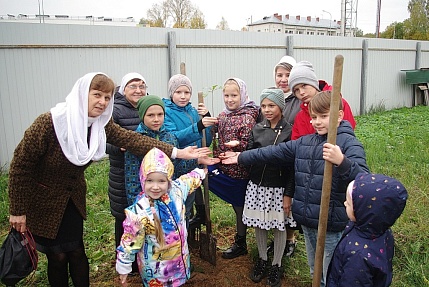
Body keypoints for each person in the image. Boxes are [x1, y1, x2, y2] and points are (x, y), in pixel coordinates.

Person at [7, 72, 209, 287]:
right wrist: (17, 210)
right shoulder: (50, 123)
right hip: (45, 200)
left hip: (72, 198)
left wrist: (177, 153)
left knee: (76, 252)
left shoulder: (99, 123)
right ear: (82, 94)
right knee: (58, 256)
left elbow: (132, 140)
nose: (102, 102)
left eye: (107, 97)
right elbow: (20, 165)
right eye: (97, 95)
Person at [221, 90, 370, 286]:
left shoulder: (348, 143)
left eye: (324, 117)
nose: (317, 122)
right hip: (308, 219)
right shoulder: (306, 142)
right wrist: (241, 157)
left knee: (330, 271)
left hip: (330, 222)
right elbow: (272, 152)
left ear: (339, 115)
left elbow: (364, 180)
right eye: (314, 117)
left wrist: (342, 161)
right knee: (314, 269)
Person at [116, 147, 207, 287]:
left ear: (169, 180)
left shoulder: (176, 192)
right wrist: (124, 267)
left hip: (180, 264)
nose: (155, 187)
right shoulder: (138, 212)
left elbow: (188, 180)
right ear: (142, 180)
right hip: (156, 274)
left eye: (161, 181)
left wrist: (201, 172)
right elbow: (129, 243)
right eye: (150, 181)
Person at [124, 95, 219, 205]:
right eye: (150, 115)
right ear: (142, 116)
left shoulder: (169, 137)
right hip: (147, 204)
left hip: (172, 201)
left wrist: (197, 161)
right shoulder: (136, 141)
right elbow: (132, 180)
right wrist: (139, 207)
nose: (156, 119)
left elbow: (176, 169)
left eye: (160, 115)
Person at [245, 88, 295, 287]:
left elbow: (292, 166)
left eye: (271, 105)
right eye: (263, 106)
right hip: (258, 186)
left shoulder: (290, 131)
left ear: (281, 107)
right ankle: (263, 259)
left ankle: (277, 263)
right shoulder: (257, 128)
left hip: (278, 188)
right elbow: (249, 154)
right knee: (259, 223)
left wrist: (288, 193)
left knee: (278, 224)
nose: (267, 109)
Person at [326, 173, 408, 287]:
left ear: (363, 212)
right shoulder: (380, 231)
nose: (345, 203)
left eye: (349, 203)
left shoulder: (358, 257)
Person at [209, 77, 259, 259]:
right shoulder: (222, 116)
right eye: (226, 95)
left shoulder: (248, 117)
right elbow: (215, 137)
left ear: (243, 95)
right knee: (201, 175)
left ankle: (241, 241)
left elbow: (252, 145)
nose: (230, 99)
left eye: (234, 95)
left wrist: (239, 145)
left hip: (241, 171)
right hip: (224, 167)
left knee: (239, 206)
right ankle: (200, 214)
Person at [162, 74, 218, 229]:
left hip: (196, 164)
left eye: (186, 93)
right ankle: (179, 240)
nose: (183, 96)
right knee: (180, 206)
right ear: (171, 93)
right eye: (178, 92)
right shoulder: (166, 113)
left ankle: (188, 235)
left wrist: (206, 117)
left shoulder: (194, 112)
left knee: (190, 199)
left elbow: (206, 138)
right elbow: (174, 138)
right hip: (179, 165)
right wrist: (198, 126)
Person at [106, 72, 147, 275]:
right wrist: (118, 147)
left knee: (142, 215)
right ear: (124, 89)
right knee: (123, 217)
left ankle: (141, 257)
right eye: (133, 86)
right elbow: (102, 142)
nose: (138, 90)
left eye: (142, 86)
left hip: (145, 173)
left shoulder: (146, 107)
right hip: (121, 173)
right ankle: (124, 262)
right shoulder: (114, 110)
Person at [288, 61, 356, 140]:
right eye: (296, 90)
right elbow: (296, 144)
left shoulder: (338, 104)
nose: (301, 92)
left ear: (314, 84)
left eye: (304, 85)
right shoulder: (300, 117)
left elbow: (348, 133)